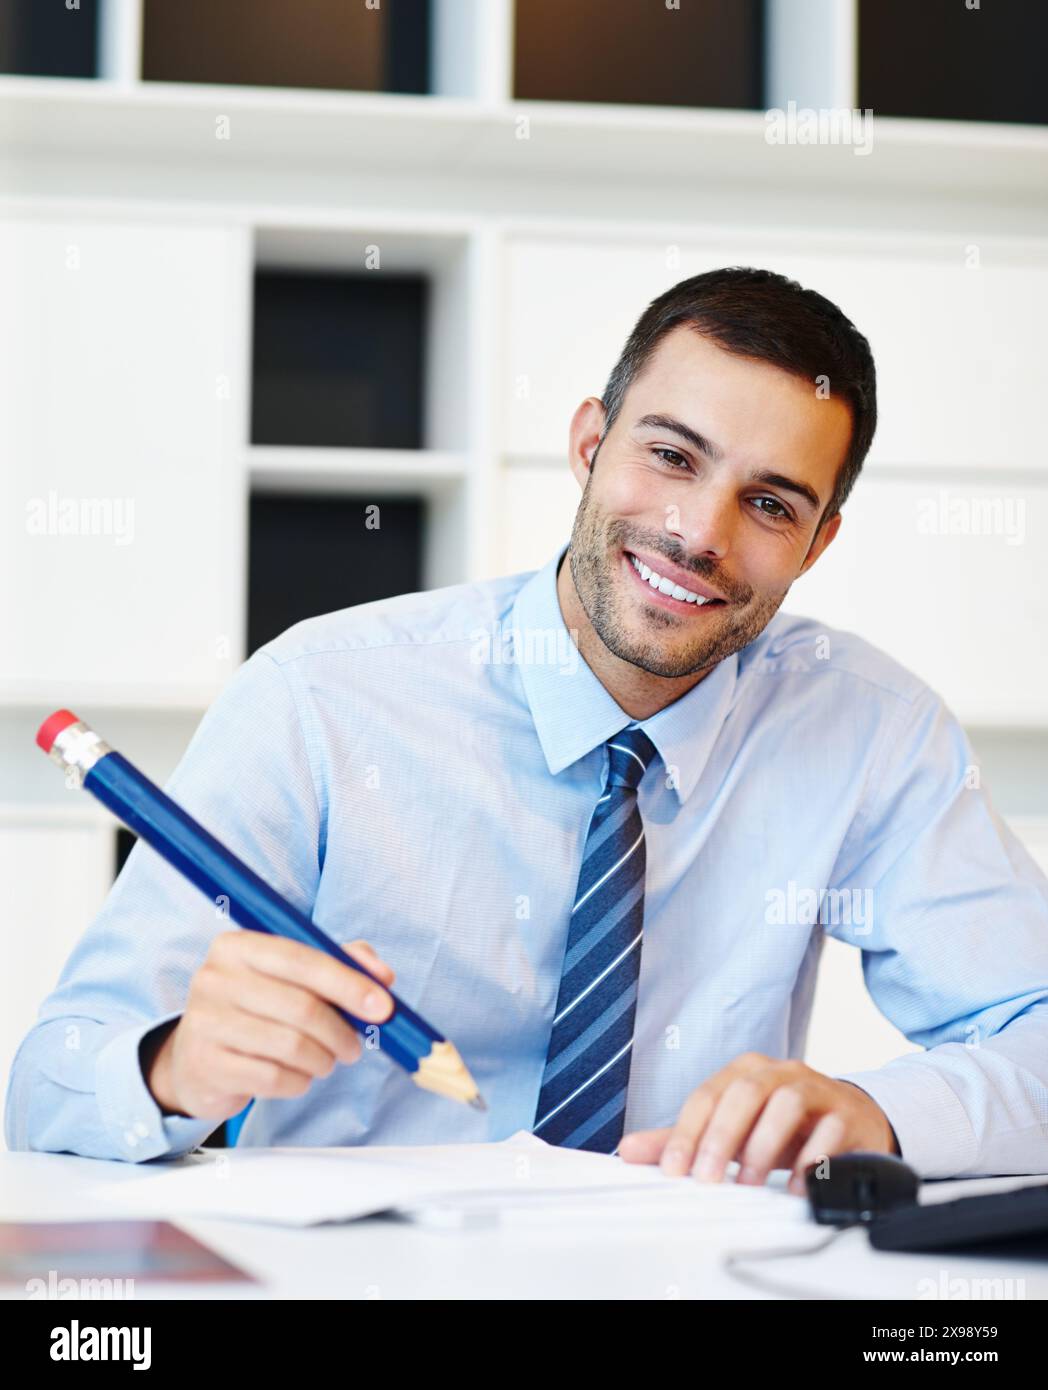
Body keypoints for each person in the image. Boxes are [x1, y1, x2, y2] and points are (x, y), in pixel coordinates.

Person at [7, 267, 1048, 1190]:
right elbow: (50, 1082)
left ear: (817, 544)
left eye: (770, 505)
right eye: (671, 455)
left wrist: (880, 1115)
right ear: (589, 444)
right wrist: (174, 1066)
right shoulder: (317, 700)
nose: (698, 534)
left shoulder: (870, 731)